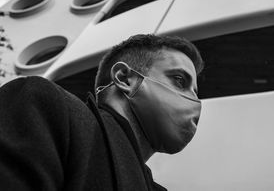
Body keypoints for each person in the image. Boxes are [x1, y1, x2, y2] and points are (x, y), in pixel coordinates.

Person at [0, 34, 204, 191]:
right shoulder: (45, 105)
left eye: (195, 93)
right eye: (179, 80)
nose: (193, 101)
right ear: (124, 78)